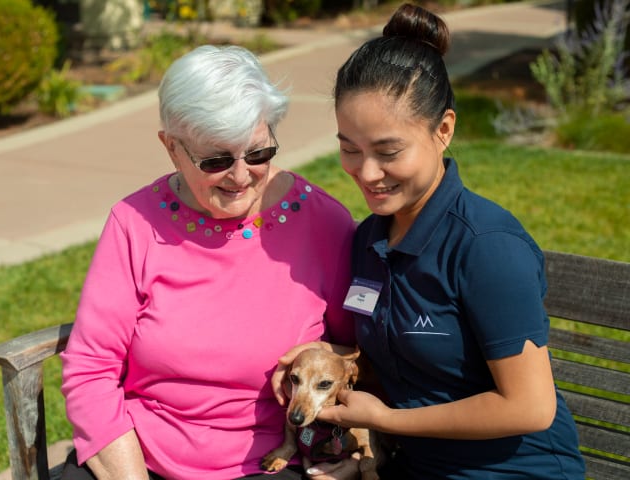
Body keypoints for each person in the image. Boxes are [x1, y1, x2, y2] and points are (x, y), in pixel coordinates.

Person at [273, 3, 586, 479]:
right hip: (408, 465)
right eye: (349, 149)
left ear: (444, 130)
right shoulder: (369, 240)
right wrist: (324, 364)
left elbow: (530, 407)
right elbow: (400, 365)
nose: (367, 173)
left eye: (388, 151)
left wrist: (388, 421)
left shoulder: (486, 247)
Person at [59, 45, 361, 480]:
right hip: (139, 459)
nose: (241, 177)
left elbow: (362, 355)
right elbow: (91, 368)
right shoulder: (133, 224)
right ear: (172, 148)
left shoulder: (324, 224)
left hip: (273, 461)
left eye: (258, 153)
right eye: (216, 160)